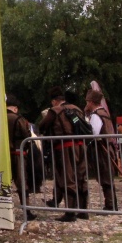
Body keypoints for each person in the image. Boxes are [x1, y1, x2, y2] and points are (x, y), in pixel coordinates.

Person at [38, 86, 89, 222]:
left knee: (67, 178)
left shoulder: (54, 111)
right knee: (81, 177)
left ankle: (70, 212)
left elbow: (42, 126)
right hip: (81, 146)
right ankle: (84, 210)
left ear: (54, 101)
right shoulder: (77, 109)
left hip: (64, 147)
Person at [85, 89, 118, 211]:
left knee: (105, 177)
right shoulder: (104, 113)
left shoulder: (96, 115)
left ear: (91, 102)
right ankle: (111, 203)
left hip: (101, 148)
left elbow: (94, 132)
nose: (86, 104)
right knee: (106, 177)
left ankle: (110, 205)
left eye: (87, 101)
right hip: (107, 147)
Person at [6, 94, 36, 220]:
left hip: (5, 154)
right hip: (19, 154)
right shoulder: (19, 119)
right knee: (22, 182)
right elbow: (27, 136)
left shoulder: (0, 118)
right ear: (15, 108)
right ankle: (26, 210)